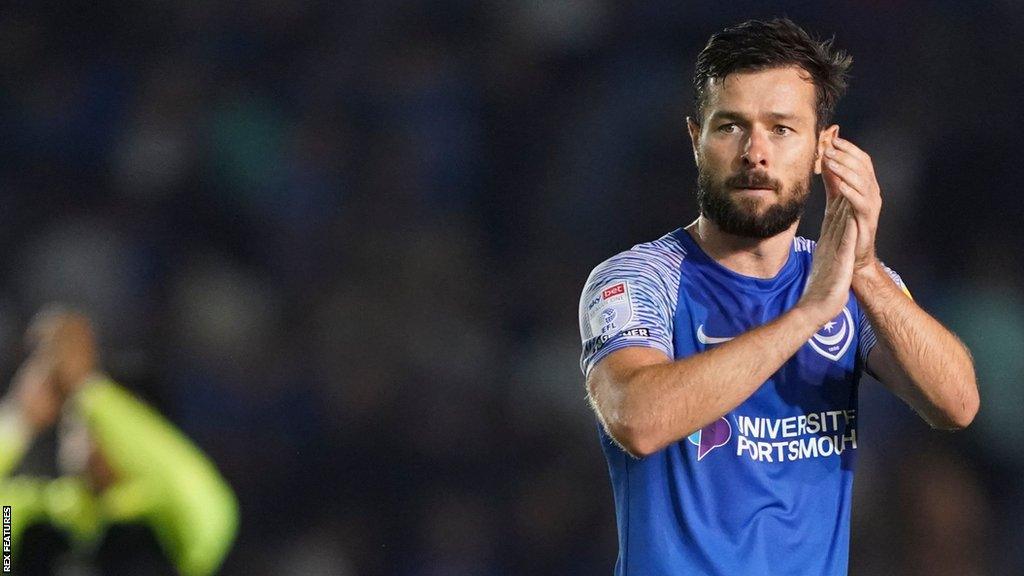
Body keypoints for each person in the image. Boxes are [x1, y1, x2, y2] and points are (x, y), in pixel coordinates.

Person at [577, 18, 978, 575]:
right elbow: (639, 421)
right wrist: (810, 311)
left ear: (824, 147)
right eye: (730, 127)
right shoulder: (641, 278)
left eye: (782, 129)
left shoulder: (854, 279)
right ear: (696, 139)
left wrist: (862, 267)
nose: (754, 153)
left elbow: (956, 404)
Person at [0, 307, 238, 575]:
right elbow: (4, 538)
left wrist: (86, 388)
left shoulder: (172, 528)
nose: (82, 433)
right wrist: (19, 421)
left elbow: (200, 495)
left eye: (100, 424)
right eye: (75, 416)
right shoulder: (31, 519)